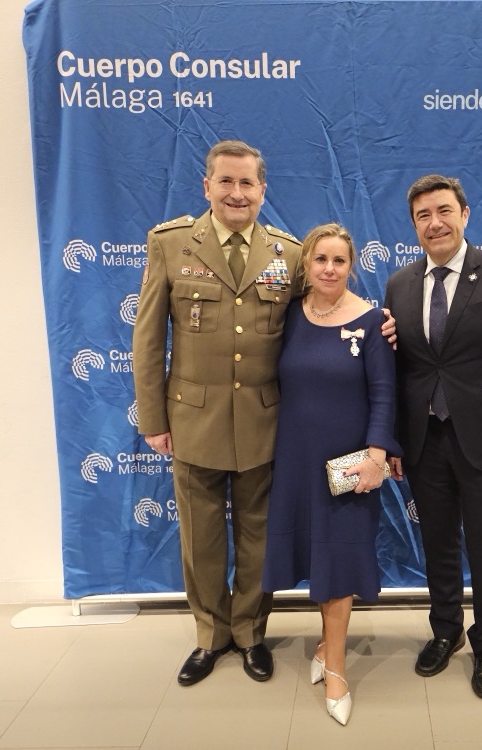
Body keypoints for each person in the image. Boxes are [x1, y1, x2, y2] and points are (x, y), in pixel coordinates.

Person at [132, 139, 303, 686]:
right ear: (207, 186)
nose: (236, 193)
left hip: (264, 419)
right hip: (193, 419)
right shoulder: (171, 244)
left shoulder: (290, 254)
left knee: (258, 536)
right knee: (201, 538)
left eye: (246, 183)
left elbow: (316, 325)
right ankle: (210, 635)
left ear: (262, 190)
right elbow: (147, 338)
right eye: (225, 181)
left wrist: (372, 327)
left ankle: (250, 633)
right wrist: (154, 419)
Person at [383, 175, 482, 700]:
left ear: (465, 214)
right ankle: (446, 630)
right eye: (423, 216)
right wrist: (395, 441)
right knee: (438, 545)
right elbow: (400, 370)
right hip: (425, 441)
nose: (435, 223)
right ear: (414, 225)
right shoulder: (400, 284)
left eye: (443, 211)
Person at [262, 223, 400, 725]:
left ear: (352, 266)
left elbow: (384, 393)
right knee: (315, 555)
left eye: (339, 260)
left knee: (339, 561)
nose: (329, 268)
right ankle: (325, 643)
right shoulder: (287, 315)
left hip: (347, 466)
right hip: (295, 459)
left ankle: (337, 666)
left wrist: (377, 456)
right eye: (320, 259)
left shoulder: (373, 321)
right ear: (306, 263)